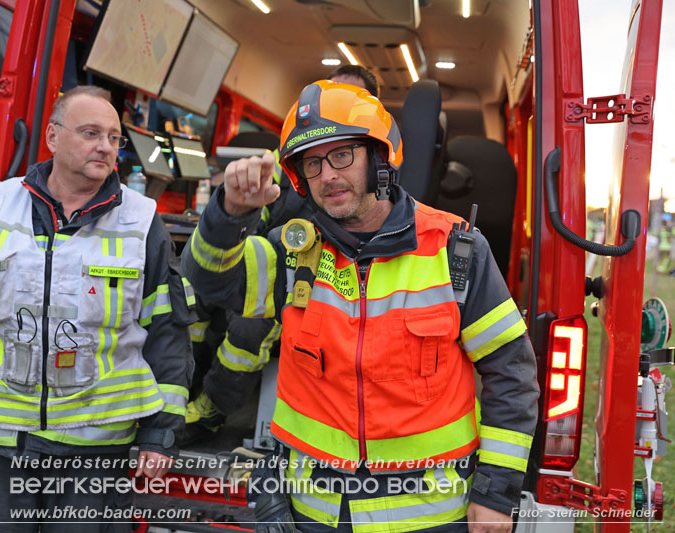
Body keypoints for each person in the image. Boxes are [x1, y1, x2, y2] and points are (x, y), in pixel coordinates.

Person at [182, 80, 539, 532]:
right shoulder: (291, 252)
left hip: (429, 517)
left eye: (341, 156)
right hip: (313, 513)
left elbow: (512, 372)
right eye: (312, 164)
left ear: (380, 158)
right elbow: (206, 283)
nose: (328, 175)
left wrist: (496, 495)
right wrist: (229, 212)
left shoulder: (454, 249)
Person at [0, 85, 194, 531]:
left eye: (113, 137)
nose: (105, 146)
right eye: (90, 132)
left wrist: (159, 435)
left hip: (96, 452)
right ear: (52, 137)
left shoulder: (142, 221)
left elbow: (168, 334)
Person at [183, 67, 381, 443]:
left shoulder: (372, 171)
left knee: (251, 323)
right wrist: (235, 212)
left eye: (349, 102)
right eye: (330, 97)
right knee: (192, 294)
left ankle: (212, 407)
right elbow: (261, 219)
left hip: (321, 279)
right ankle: (178, 391)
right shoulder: (287, 158)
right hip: (274, 257)